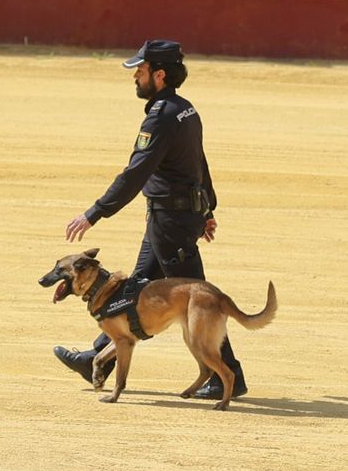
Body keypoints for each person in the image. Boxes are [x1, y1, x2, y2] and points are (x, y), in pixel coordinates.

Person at [55, 40, 246, 402]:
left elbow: (136, 172)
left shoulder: (161, 116)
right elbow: (198, 162)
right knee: (133, 290)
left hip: (170, 221)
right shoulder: (185, 109)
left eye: (140, 71)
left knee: (201, 299)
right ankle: (97, 357)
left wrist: (96, 212)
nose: (136, 77)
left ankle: (228, 375)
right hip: (174, 217)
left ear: (159, 75)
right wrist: (207, 209)